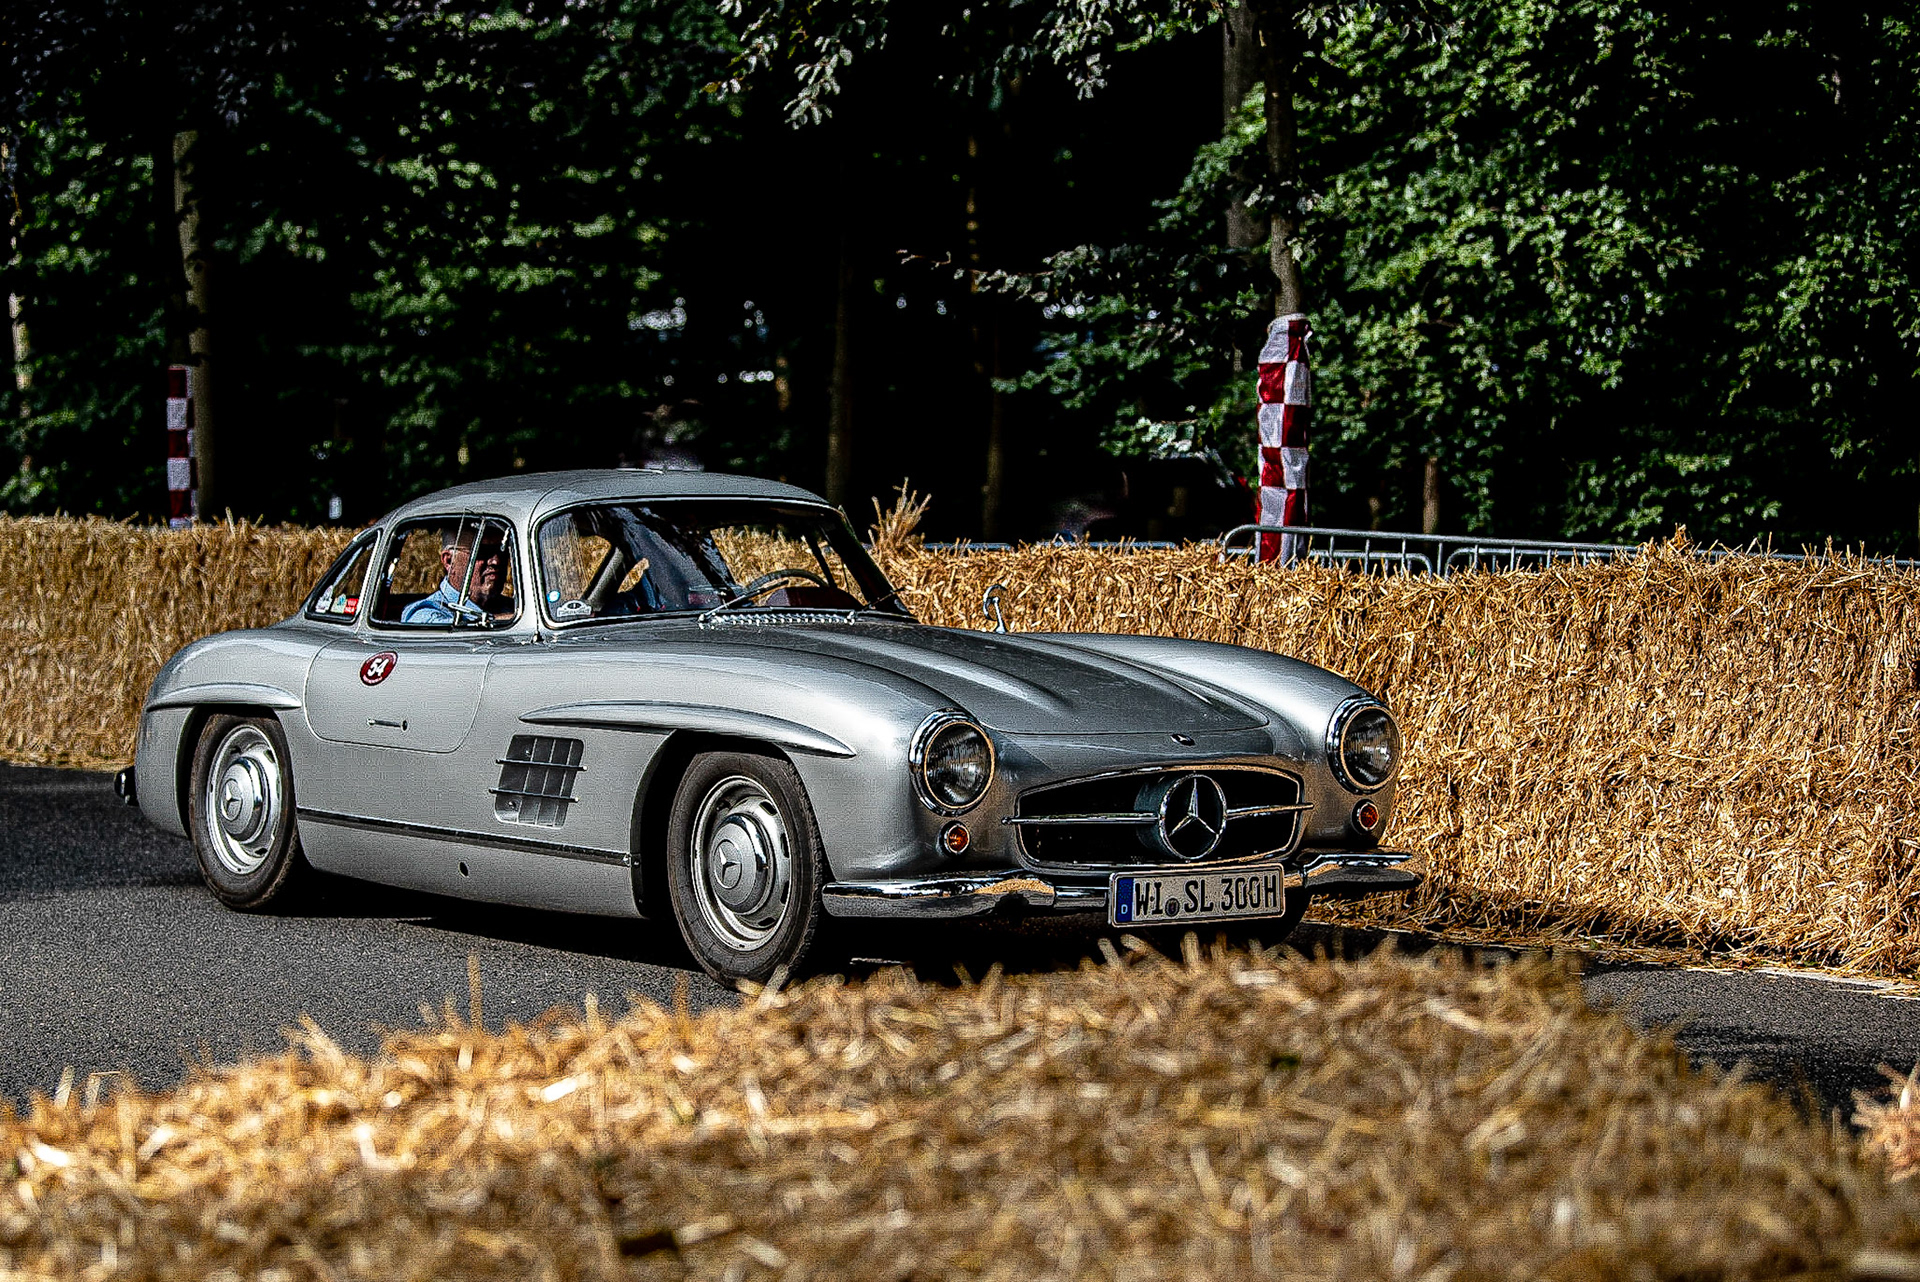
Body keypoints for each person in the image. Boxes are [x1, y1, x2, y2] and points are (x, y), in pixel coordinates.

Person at [400, 523, 514, 625]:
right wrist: (509, 621)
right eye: (482, 552)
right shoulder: (425, 612)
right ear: (449, 561)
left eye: (502, 552)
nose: (496, 561)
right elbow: (437, 632)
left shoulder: (515, 607)